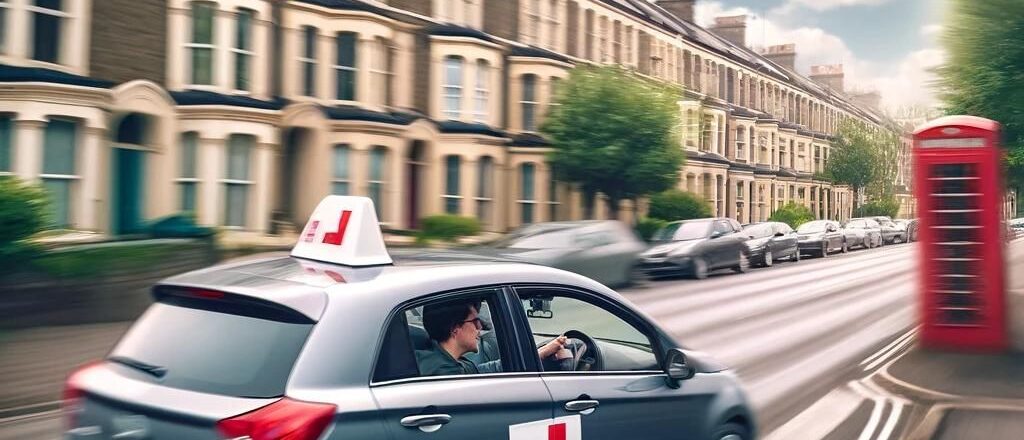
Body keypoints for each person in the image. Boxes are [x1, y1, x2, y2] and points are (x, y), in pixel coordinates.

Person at [417, 299, 570, 376]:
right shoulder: (443, 372)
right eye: (475, 321)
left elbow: (484, 370)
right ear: (455, 329)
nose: (480, 327)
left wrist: (541, 353)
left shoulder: (449, 362)